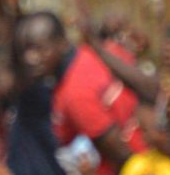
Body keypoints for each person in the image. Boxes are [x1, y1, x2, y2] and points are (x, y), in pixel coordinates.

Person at [14, 12, 145, 175]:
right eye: (25, 51)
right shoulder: (90, 54)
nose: (30, 58)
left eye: (39, 49)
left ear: (62, 43)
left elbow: (121, 154)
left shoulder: (74, 95)